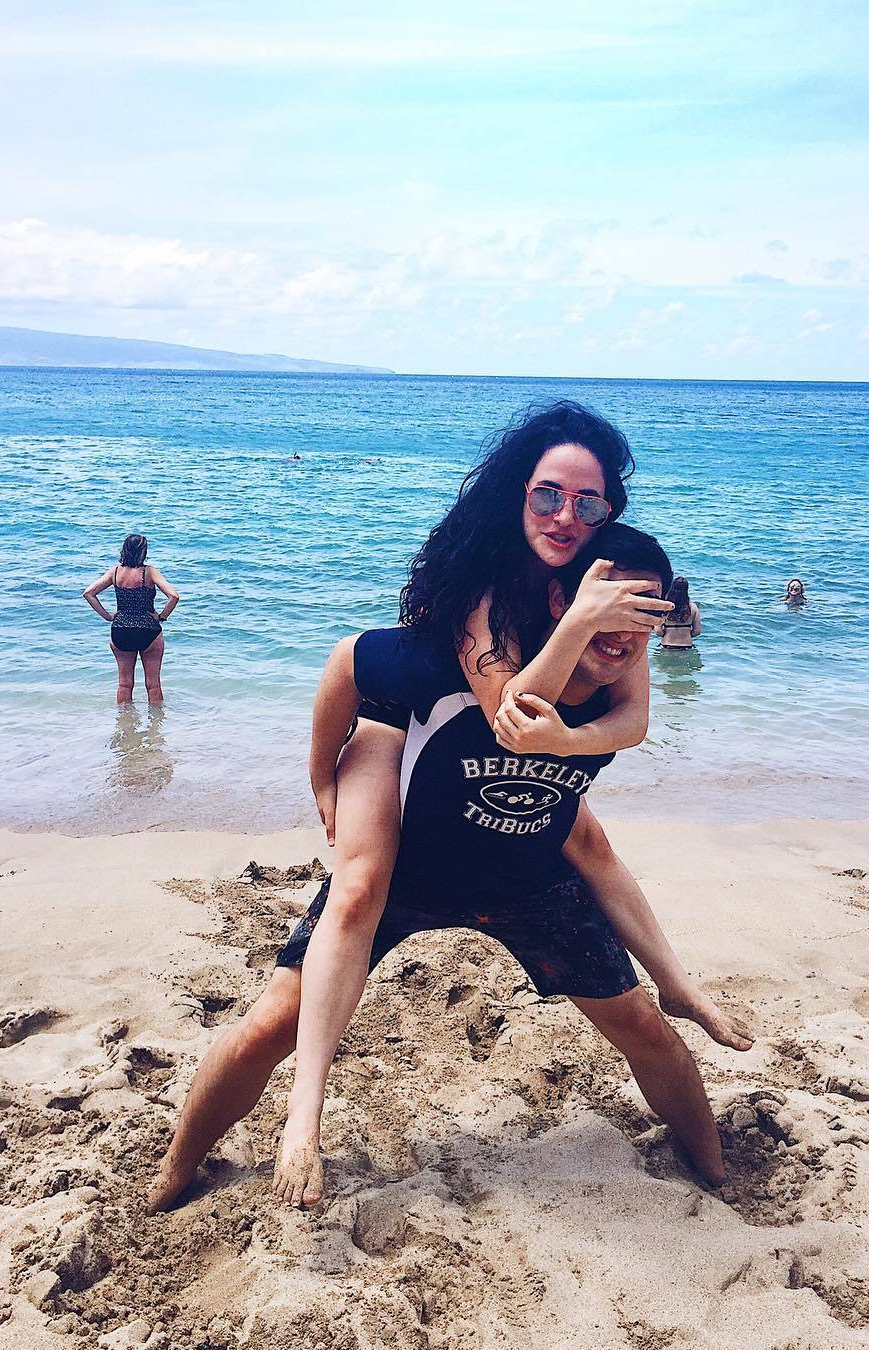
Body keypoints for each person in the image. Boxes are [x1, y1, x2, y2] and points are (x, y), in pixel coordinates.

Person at [148, 526, 732, 1215]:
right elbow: (349, 662)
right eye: (610, 606)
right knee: (271, 1025)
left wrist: (675, 982)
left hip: (526, 877)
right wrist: (322, 777)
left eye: (646, 612)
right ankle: (178, 1165)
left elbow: (588, 840)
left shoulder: (616, 690)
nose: (626, 629)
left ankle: (717, 1172)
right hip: (409, 870)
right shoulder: (459, 666)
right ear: (561, 601)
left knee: (644, 1025)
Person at [272, 401, 748, 1208]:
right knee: (360, 884)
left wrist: (571, 729)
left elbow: (627, 720)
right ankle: (301, 1117)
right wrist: (321, 776)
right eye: (547, 496)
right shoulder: (487, 590)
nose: (566, 516)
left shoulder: (611, 589)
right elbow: (373, 670)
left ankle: (709, 1134)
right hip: (405, 718)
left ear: (608, 513)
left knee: (586, 844)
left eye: (588, 503)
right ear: (518, 494)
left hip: (511, 771)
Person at [82, 535, 179, 705]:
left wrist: (108, 617)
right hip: (148, 631)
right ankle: (156, 720)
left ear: (124, 550)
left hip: (121, 630)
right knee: (153, 684)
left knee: (124, 684)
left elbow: (89, 593)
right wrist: (161, 617)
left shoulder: (115, 572)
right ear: (143, 552)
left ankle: (124, 719)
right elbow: (174, 596)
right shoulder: (149, 572)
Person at [658, 576, 702, 649]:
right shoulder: (693, 607)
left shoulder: (665, 607)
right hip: (686, 646)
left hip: (667, 645)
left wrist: (666, 633)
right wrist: (686, 634)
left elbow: (658, 631)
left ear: (671, 588)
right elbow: (697, 631)